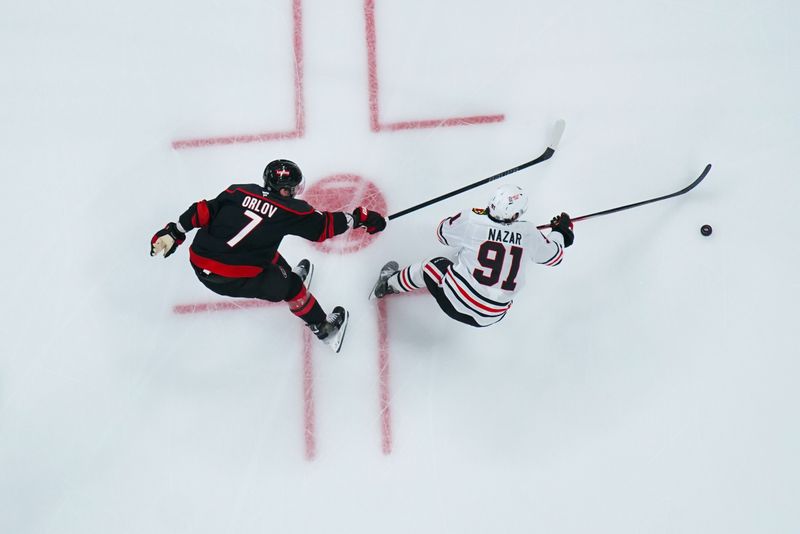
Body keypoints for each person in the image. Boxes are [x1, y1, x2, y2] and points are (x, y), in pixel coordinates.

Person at [150, 159, 386, 352]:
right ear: (285, 190)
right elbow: (323, 227)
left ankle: (282, 276)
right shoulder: (290, 210)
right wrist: (359, 218)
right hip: (232, 277)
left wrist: (174, 232)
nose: (294, 192)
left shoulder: (238, 191)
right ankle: (322, 327)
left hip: (200, 261)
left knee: (264, 247)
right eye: (292, 188)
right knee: (293, 288)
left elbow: (202, 211)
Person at [370, 184, 573, 328]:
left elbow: (442, 233)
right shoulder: (529, 233)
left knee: (431, 266)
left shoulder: (473, 220)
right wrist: (561, 232)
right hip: (491, 316)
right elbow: (554, 256)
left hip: (456, 301)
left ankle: (388, 284)